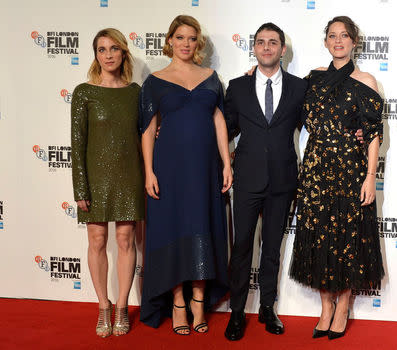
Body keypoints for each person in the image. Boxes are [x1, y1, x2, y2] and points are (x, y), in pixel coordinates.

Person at [289, 16, 385, 340]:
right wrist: (254, 75)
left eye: (345, 35)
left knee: (348, 237)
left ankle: (343, 306)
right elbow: (289, 108)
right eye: (333, 35)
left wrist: (370, 176)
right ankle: (325, 306)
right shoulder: (312, 80)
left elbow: (373, 134)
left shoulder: (366, 81)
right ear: (326, 41)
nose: (339, 41)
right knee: (319, 237)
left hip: (350, 170)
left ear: (354, 41)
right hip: (316, 171)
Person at [139, 15, 231, 335]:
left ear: (198, 43)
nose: (186, 44)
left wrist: (227, 164)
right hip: (170, 168)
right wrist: (149, 170)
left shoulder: (210, 77)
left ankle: (199, 300)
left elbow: (219, 122)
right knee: (172, 229)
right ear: (170, 41)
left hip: (205, 168)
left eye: (191, 38)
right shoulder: (155, 80)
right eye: (180, 38)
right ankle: (178, 302)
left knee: (203, 224)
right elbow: (148, 129)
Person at [223, 23, 308, 341]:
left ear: (282, 49)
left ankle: (268, 308)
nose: (267, 47)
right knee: (242, 246)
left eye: (273, 42)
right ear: (254, 48)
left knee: (272, 248)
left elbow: (318, 122)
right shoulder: (237, 87)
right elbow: (225, 129)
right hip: (246, 179)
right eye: (261, 42)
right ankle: (236, 312)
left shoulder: (301, 88)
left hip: (284, 180)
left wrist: (356, 131)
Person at [71, 28, 144, 337]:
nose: (109, 54)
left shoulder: (135, 91)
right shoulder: (84, 91)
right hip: (95, 178)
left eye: (114, 48)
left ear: (123, 52)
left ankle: (123, 306)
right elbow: (77, 144)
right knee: (97, 242)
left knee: (126, 240)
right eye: (102, 49)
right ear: (96, 55)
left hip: (129, 177)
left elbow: (146, 135)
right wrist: (80, 188)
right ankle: (103, 305)